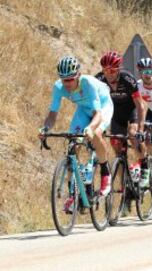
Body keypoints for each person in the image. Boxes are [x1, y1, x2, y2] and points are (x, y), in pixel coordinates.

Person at [39, 56, 114, 211]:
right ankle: (74, 193)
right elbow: (52, 114)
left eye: (70, 80)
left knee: (97, 134)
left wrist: (90, 129)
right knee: (73, 144)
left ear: (78, 76)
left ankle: (106, 173)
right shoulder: (58, 87)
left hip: (102, 108)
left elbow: (98, 115)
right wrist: (45, 129)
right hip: (83, 110)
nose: (66, 84)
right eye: (63, 80)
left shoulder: (88, 83)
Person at [95, 51, 149, 187]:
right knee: (115, 143)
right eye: (106, 70)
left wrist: (141, 130)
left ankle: (145, 165)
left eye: (113, 70)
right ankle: (125, 183)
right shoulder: (99, 80)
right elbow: (95, 105)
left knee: (132, 134)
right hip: (115, 113)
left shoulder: (128, 79)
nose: (109, 74)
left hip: (132, 111)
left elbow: (140, 105)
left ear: (119, 69)